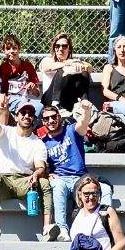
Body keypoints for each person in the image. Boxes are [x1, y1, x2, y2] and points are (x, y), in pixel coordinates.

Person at [0, 100, 52, 241]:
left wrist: (36, 174)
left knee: (44, 183)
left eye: (31, 114)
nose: (27, 116)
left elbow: (40, 167)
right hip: (3, 180)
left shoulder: (38, 143)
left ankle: (47, 227)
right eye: (23, 113)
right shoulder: (5, 131)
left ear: (34, 118)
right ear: (16, 116)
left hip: (24, 181)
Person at [38, 104, 95, 242]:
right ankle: (62, 229)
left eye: (53, 117)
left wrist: (86, 111)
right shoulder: (43, 142)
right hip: (60, 178)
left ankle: (94, 230)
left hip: (79, 177)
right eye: (46, 119)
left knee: (100, 189)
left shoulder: (71, 130)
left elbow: (83, 124)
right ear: (43, 122)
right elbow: (38, 164)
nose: (50, 121)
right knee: (57, 186)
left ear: (59, 117)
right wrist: (47, 174)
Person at [38, 34, 97, 113]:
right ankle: (56, 102)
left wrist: (81, 65)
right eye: (57, 46)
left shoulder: (73, 61)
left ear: (69, 49)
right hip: (49, 99)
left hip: (68, 98)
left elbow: (90, 67)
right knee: (63, 70)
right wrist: (67, 64)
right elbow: (47, 67)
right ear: (54, 48)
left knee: (84, 72)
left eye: (64, 46)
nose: (60, 49)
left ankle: (84, 100)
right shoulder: (47, 60)